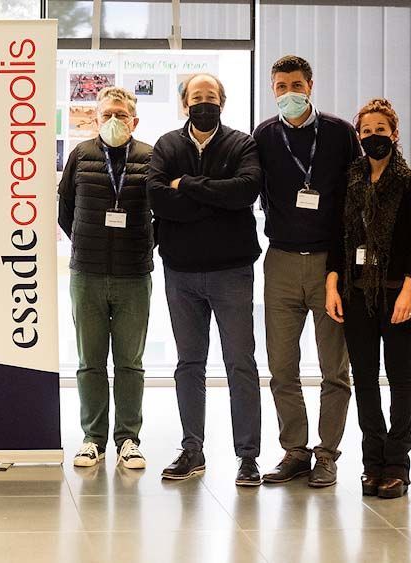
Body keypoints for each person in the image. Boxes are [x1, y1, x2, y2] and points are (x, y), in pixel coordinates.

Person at [147, 73, 263, 484]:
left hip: (232, 273)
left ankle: (248, 457)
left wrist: (190, 186)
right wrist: (215, 200)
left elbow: (246, 191)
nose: (203, 103)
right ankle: (191, 450)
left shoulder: (241, 143)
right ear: (184, 104)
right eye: (197, 97)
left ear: (222, 103)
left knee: (240, 365)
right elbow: (158, 196)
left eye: (210, 97)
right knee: (189, 365)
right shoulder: (167, 145)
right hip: (181, 273)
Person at [253, 55, 358, 488]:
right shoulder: (263, 135)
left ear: (311, 85)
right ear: (272, 90)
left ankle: (327, 454)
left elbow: (356, 199)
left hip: (328, 266)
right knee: (281, 366)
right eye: (280, 86)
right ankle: (295, 450)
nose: (288, 93)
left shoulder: (339, 133)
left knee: (335, 368)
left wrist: (344, 265)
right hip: (279, 260)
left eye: (296, 84)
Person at [324, 98, 411, 500]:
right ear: (358, 135)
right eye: (366, 131)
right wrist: (332, 284)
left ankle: (398, 462)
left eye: (381, 130)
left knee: (399, 378)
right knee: (364, 378)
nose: (373, 137)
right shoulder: (349, 179)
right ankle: (372, 463)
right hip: (356, 293)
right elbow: (338, 237)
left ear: (394, 134)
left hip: (399, 292)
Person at [58, 87, 154, 470]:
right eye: (106, 115)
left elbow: (162, 212)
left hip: (134, 275)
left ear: (134, 120)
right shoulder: (81, 155)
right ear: (96, 119)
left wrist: (145, 244)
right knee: (90, 362)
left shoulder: (150, 157)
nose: (113, 121)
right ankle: (93, 439)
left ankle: (128, 439)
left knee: (130, 362)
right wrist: (85, 241)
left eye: (120, 114)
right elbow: (65, 209)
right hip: (88, 274)